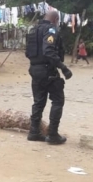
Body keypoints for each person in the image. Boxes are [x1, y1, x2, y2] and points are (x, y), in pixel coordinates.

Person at [25, 11, 73, 145]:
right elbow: (48, 51)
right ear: (56, 19)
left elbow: (28, 52)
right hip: (47, 70)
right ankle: (52, 134)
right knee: (58, 100)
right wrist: (63, 68)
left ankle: (34, 132)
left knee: (38, 101)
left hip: (34, 69)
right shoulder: (51, 29)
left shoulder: (33, 30)